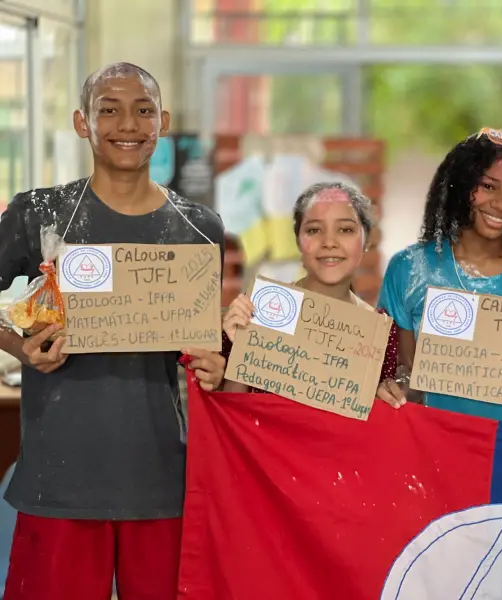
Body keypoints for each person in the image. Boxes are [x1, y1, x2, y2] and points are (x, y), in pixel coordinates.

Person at [0, 62, 227, 600]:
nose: (128, 123)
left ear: (162, 122)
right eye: (109, 109)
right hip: (60, 475)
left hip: (159, 477)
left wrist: (217, 361)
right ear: (83, 122)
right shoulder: (39, 213)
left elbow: (194, 344)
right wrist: (20, 346)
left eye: (143, 110)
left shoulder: (199, 227)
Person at [375, 128, 502, 424]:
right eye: (488, 186)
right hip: (446, 449)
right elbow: (404, 374)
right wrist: (394, 388)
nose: (500, 203)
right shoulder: (409, 268)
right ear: (462, 185)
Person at [222, 182, 398, 391]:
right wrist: (241, 348)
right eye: (314, 230)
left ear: (366, 240)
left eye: (345, 229)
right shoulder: (257, 310)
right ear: (298, 240)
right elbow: (230, 412)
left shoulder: (381, 334)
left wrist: (386, 398)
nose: (329, 242)